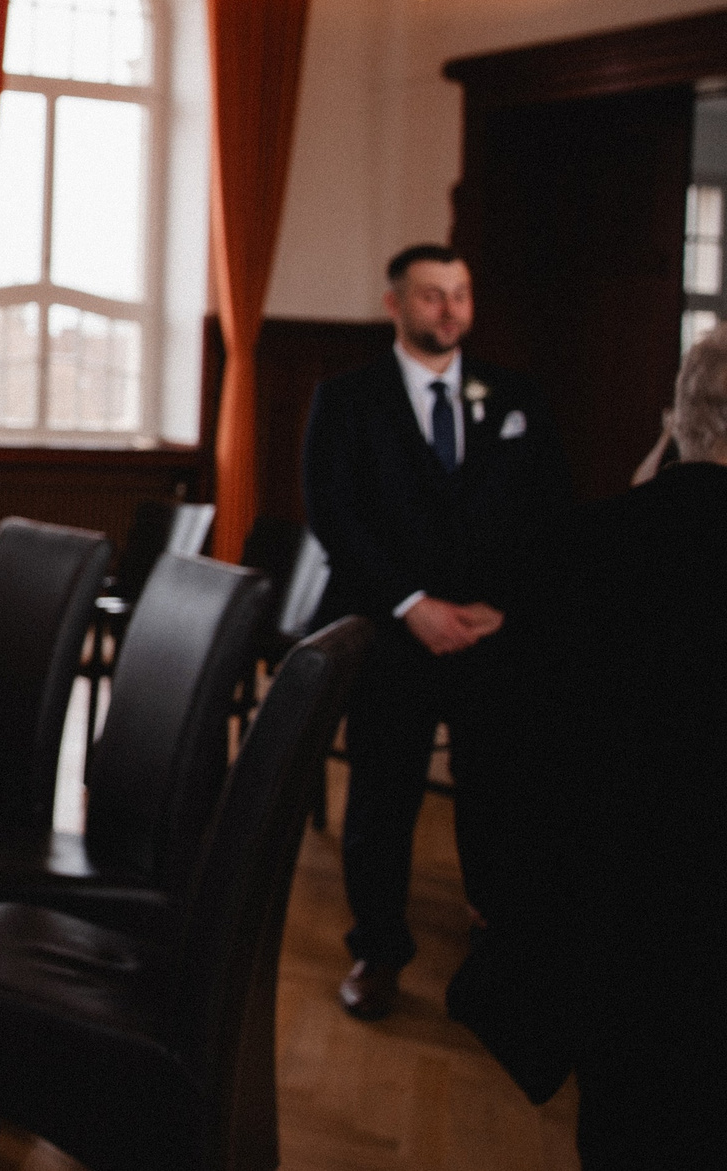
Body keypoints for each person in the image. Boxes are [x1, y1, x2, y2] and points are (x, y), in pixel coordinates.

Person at [450, 328, 726, 1170]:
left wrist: (504, 900)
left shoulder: (576, 545)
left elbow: (494, 744)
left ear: (679, 418)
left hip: (610, 950)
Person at [300, 243, 570, 1021]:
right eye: (431, 295)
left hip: (490, 634)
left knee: (497, 791)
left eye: (460, 293)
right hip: (393, 635)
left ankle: (495, 937)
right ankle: (378, 949)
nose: (449, 309)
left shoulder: (514, 395)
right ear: (395, 303)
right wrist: (411, 602)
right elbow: (333, 514)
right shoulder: (347, 399)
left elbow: (550, 509)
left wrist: (504, 606)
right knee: (383, 795)